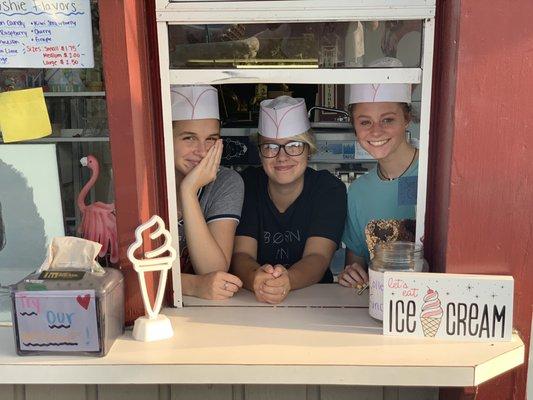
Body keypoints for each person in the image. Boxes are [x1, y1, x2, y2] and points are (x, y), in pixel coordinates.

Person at [232, 96, 347, 304]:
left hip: (316, 301)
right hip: (251, 301)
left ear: (309, 150)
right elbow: (241, 254)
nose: (282, 157)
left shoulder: (328, 189)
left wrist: (287, 280)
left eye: (294, 145)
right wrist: (256, 279)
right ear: (260, 152)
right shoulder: (247, 185)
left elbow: (319, 257)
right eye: (270, 147)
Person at [339, 58, 418, 289]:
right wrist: (351, 275)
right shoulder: (359, 191)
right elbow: (356, 266)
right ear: (354, 127)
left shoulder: (433, 177)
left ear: (407, 119)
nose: (376, 131)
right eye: (365, 122)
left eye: (387, 120)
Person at [171, 85, 244, 300]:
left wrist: (188, 190)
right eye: (189, 138)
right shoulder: (142, 182)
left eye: (211, 139)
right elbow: (126, 269)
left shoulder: (227, 181)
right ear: (166, 137)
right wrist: (192, 285)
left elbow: (212, 269)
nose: (202, 151)